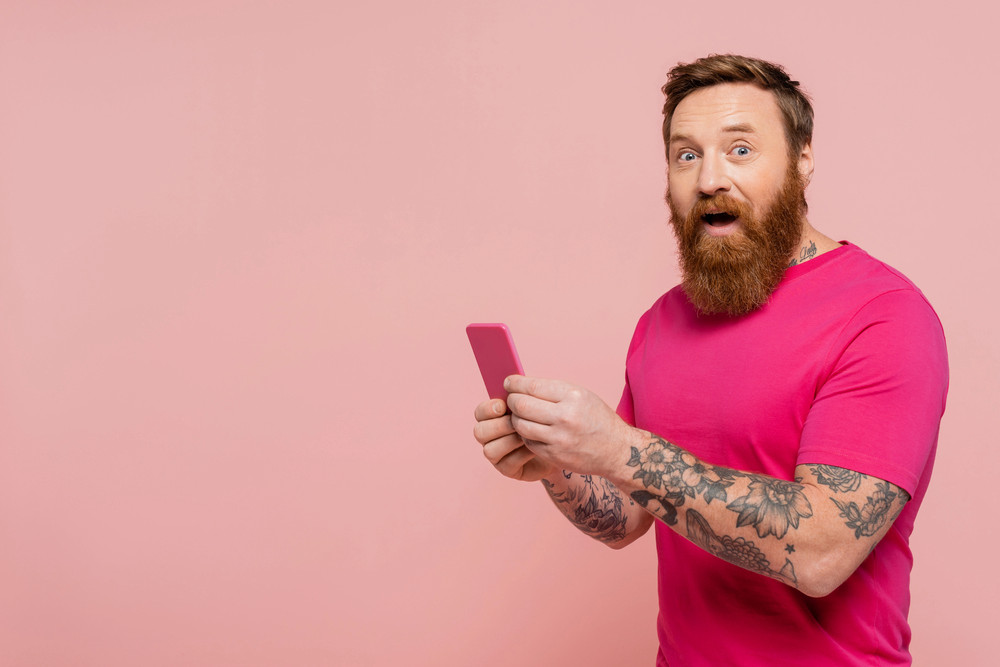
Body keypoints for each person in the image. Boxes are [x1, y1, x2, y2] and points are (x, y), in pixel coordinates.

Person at [472, 54, 948, 666]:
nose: (708, 179)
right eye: (686, 155)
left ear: (803, 159)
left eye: (740, 150)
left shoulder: (884, 317)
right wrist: (558, 466)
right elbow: (626, 516)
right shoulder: (661, 321)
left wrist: (618, 449)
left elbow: (820, 553)